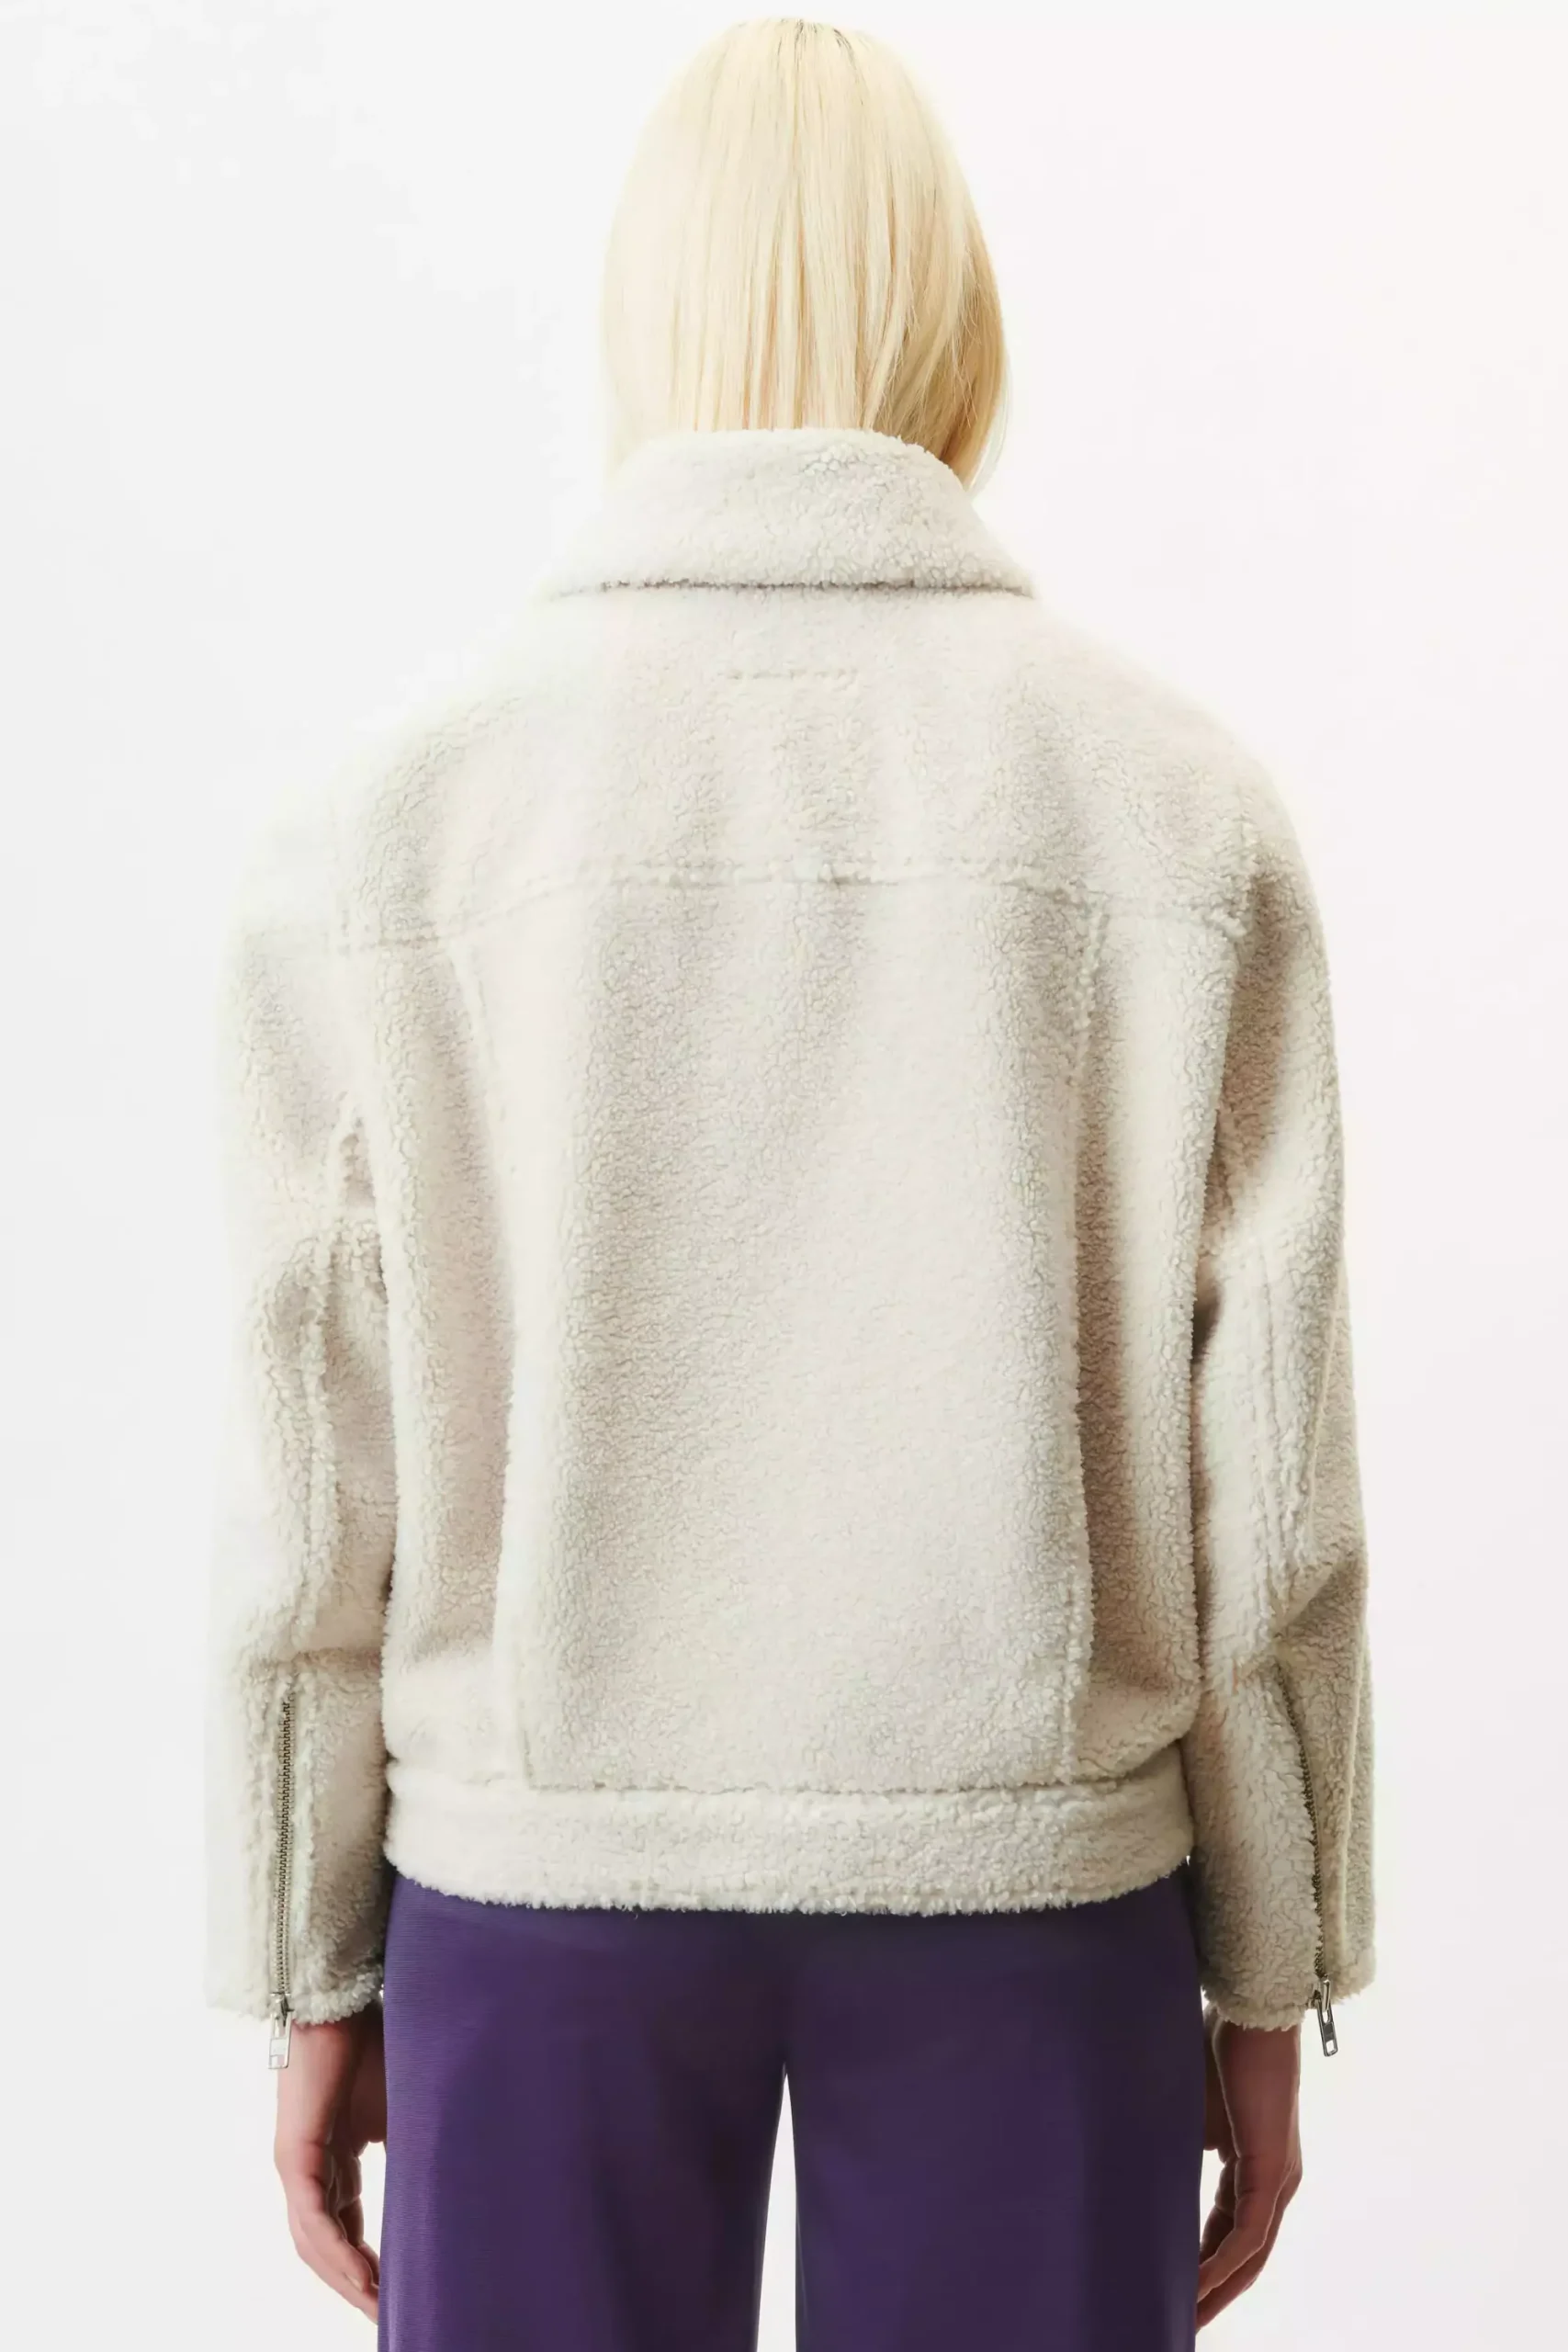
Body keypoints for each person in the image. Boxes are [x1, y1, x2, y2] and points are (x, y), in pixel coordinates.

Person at [203, 17, 1374, 2349]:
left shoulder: (397, 826)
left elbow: (312, 1487)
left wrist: (304, 1955)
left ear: (644, 319)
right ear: (957, 320)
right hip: (1035, 1891)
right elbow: (1272, 1498)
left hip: (538, 1880)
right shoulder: (1169, 808)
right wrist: (1274, 1960)